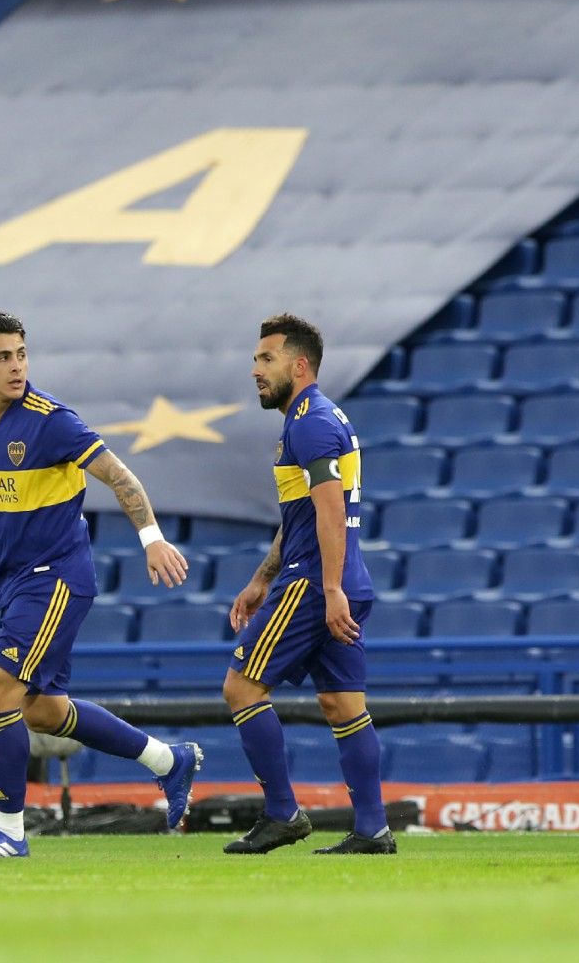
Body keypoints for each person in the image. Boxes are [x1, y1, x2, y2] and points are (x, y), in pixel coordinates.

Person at [0, 310, 202, 858]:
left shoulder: (51, 420)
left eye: (22, 354)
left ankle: (8, 833)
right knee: (41, 709)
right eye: (4, 357)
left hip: (57, 577)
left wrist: (151, 537)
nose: (16, 367)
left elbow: (119, 475)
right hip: (14, 581)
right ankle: (166, 760)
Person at [221, 314, 392, 856]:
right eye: (255, 359)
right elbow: (300, 513)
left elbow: (329, 510)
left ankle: (282, 814)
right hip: (336, 580)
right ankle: (372, 829)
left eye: (266, 359)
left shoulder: (309, 423)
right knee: (344, 706)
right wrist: (259, 579)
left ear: (299, 365)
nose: (255, 370)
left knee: (242, 688)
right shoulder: (316, 418)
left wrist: (330, 588)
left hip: (316, 583)